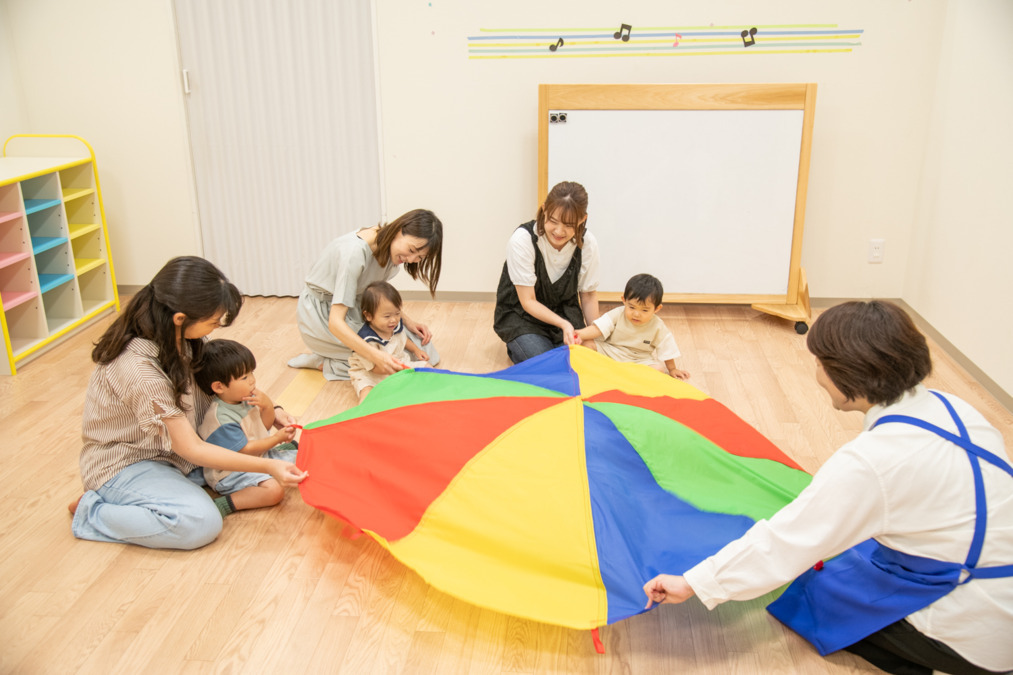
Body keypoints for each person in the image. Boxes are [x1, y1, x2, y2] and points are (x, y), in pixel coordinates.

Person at [642, 301, 1013, 675]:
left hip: (977, 628)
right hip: (995, 584)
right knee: (850, 555)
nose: (817, 372)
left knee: (818, 591)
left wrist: (693, 583)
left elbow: (786, 543)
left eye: (820, 362)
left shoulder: (871, 461)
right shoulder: (956, 408)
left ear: (848, 374)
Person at [70, 256, 307, 550]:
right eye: (212, 321)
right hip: (129, 464)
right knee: (200, 522)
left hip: (179, 456)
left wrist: (275, 409)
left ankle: (172, 492)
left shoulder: (183, 340)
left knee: (293, 457)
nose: (215, 327)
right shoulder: (140, 370)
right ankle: (93, 511)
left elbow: (222, 386)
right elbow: (191, 448)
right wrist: (269, 467)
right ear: (180, 318)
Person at [288, 209, 443, 380]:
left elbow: (375, 294)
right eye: (412, 250)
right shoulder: (354, 253)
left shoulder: (390, 247)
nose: (412, 259)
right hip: (322, 315)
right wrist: (375, 356)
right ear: (399, 230)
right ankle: (325, 363)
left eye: (420, 257)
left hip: (358, 306)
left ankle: (349, 358)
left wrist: (408, 322)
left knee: (425, 352)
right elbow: (335, 322)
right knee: (381, 363)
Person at [493, 181, 600, 363]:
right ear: (544, 209)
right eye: (553, 221)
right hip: (523, 316)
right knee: (546, 362)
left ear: (582, 219)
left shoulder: (587, 243)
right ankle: (519, 344)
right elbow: (528, 301)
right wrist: (563, 324)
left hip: (566, 314)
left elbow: (588, 295)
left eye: (568, 225)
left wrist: (591, 336)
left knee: (584, 360)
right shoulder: (523, 240)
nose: (559, 231)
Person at [193, 339, 300, 514]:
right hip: (230, 472)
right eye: (244, 377)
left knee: (306, 459)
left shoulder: (242, 398)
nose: (252, 380)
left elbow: (262, 427)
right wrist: (276, 439)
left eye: (251, 373)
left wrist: (267, 406)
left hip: (258, 457)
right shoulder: (221, 418)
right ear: (219, 386)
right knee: (274, 491)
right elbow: (244, 450)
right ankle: (222, 505)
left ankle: (280, 453)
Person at [574, 273, 689, 379]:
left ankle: (616, 371)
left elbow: (666, 348)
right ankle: (616, 371)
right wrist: (578, 334)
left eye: (644, 310)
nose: (636, 314)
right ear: (624, 300)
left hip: (639, 359)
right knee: (587, 344)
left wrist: (672, 369)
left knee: (659, 369)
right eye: (632, 307)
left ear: (657, 309)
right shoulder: (617, 314)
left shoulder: (658, 326)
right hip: (612, 351)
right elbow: (597, 329)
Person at [347, 281, 429, 402]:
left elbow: (403, 339)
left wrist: (416, 350)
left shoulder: (394, 325)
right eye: (387, 316)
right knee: (366, 390)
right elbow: (374, 368)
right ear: (368, 316)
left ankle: (436, 386)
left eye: (397, 313)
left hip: (398, 364)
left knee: (427, 366)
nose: (394, 320)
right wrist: (397, 370)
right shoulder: (366, 340)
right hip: (371, 373)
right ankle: (365, 410)